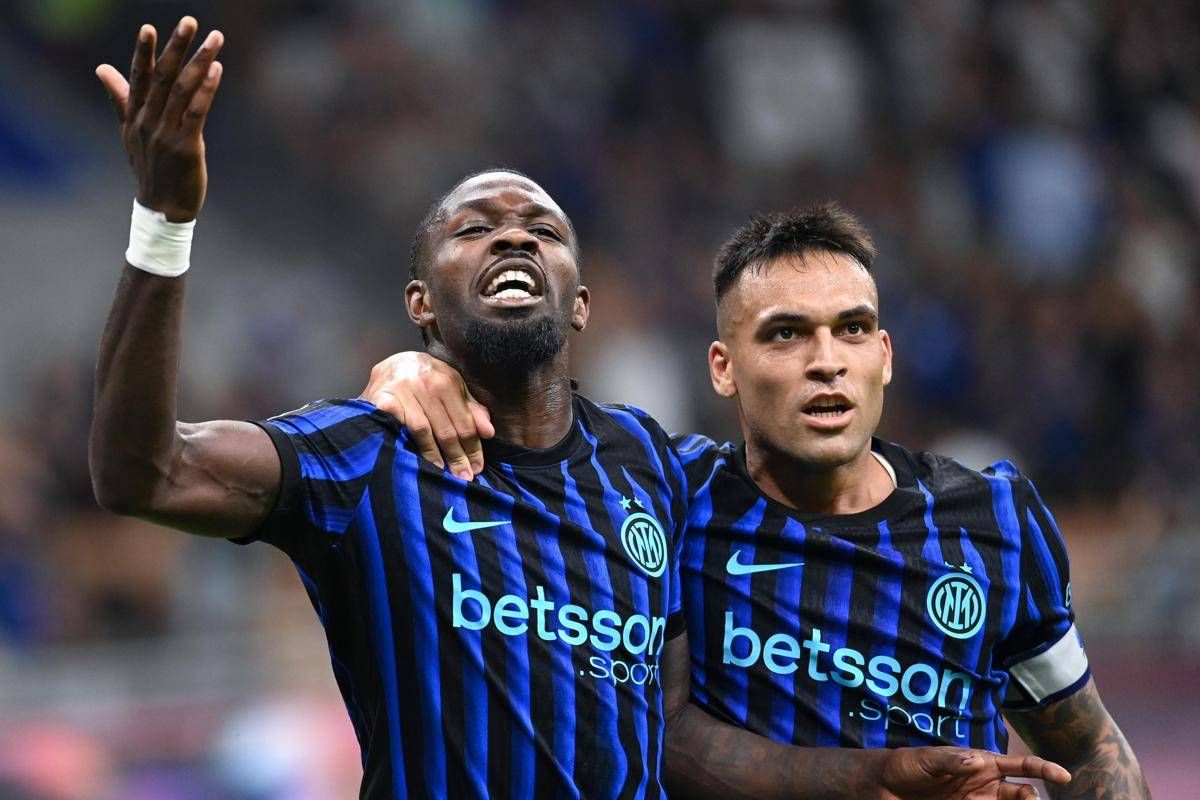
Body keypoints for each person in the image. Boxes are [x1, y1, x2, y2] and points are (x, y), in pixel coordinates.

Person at [89, 17, 1071, 799]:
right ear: (422, 303)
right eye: (475, 229)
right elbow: (143, 472)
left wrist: (872, 776)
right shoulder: (367, 457)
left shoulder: (659, 472)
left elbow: (674, 734)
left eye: (543, 229)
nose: (513, 235)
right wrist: (165, 221)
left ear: (582, 302)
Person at [363, 205, 1148, 798]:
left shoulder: (995, 523)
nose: (826, 362)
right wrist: (410, 369)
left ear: (884, 357)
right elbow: (659, 731)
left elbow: (1091, 748)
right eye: (785, 334)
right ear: (722, 367)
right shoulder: (663, 499)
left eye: (852, 329)